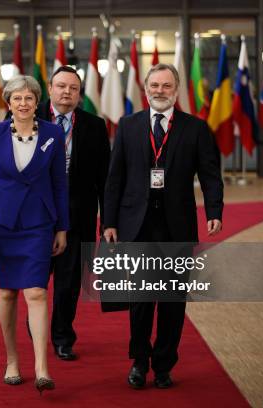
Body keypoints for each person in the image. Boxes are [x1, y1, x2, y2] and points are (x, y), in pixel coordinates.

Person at [103, 64, 223, 389]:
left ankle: (164, 365)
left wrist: (214, 211)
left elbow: (211, 174)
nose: (159, 90)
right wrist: (109, 221)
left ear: (176, 89)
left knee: (172, 303)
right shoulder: (128, 126)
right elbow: (114, 178)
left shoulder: (195, 129)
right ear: (145, 88)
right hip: (136, 225)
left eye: (166, 85)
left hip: (178, 226)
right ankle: (139, 363)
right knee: (141, 302)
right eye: (154, 84)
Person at [0, 75, 69, 395]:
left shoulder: (52, 132)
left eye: (29, 98)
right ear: (7, 103)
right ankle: (12, 360)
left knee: (36, 291)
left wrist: (62, 227)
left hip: (39, 222)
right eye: (17, 98)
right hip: (1, 223)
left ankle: (42, 368)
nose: (23, 103)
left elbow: (59, 184)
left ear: (37, 101)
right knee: (8, 292)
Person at [35, 66, 110, 361]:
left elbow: (105, 177)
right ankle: (37, 330)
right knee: (35, 280)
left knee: (68, 284)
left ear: (80, 94)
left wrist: (109, 220)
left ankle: (63, 337)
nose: (66, 92)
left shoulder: (94, 126)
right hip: (35, 217)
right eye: (61, 86)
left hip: (78, 216)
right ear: (50, 88)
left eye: (73, 88)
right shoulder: (29, 114)